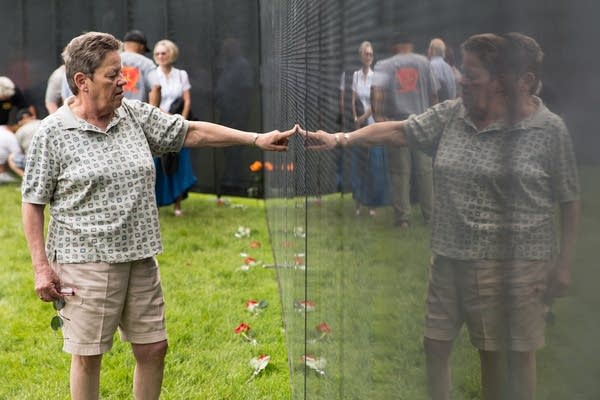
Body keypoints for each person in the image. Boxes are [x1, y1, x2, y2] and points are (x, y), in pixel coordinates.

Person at [21, 31, 295, 400]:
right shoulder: (53, 133)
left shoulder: (133, 115)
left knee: (153, 348)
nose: (123, 80)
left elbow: (191, 131)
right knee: (89, 356)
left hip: (140, 255)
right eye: (112, 74)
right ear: (81, 81)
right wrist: (41, 267)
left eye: (122, 72)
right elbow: (33, 201)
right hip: (84, 260)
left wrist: (255, 139)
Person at [307, 32, 579, 400]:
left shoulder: (548, 129)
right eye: (461, 72)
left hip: (511, 261)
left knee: (503, 359)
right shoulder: (453, 114)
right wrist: (341, 139)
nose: (460, 81)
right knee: (435, 346)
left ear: (501, 82)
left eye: (471, 75)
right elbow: (400, 130)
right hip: (448, 256)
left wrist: (563, 263)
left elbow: (568, 197)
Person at [371, 32, 438, 228]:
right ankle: (431, 218)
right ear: (410, 45)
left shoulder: (384, 65)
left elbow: (377, 97)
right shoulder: (425, 63)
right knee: (426, 173)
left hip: (397, 125)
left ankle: (403, 220)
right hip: (423, 122)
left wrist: (381, 122)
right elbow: (434, 96)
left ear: (395, 47)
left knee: (400, 174)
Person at [151, 39, 196, 216]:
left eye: (164, 53)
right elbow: (152, 102)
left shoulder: (181, 74)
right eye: (157, 54)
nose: (161, 56)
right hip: (158, 124)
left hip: (179, 125)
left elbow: (187, 99)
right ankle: (154, 204)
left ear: (172, 54)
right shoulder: (152, 75)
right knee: (156, 165)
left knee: (180, 163)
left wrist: (182, 120)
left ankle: (177, 205)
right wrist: (166, 118)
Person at [350, 41, 390, 216]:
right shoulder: (356, 76)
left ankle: (372, 204)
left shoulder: (376, 76)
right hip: (359, 125)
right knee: (360, 165)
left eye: (371, 54)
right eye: (366, 54)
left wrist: (363, 118)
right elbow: (352, 99)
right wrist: (355, 118)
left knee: (374, 166)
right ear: (361, 55)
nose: (369, 57)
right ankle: (359, 202)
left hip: (373, 124)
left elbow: (375, 104)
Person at [121, 30, 161, 105]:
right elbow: (156, 86)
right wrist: (152, 112)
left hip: (114, 111)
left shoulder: (113, 59)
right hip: (138, 113)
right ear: (142, 47)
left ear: (124, 45)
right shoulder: (147, 63)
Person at [7, 108, 41, 177]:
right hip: (51, 158)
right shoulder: (44, 122)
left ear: (19, 122)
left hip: (33, 162)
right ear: (33, 116)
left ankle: (27, 179)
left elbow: (18, 151)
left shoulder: (20, 131)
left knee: (11, 158)